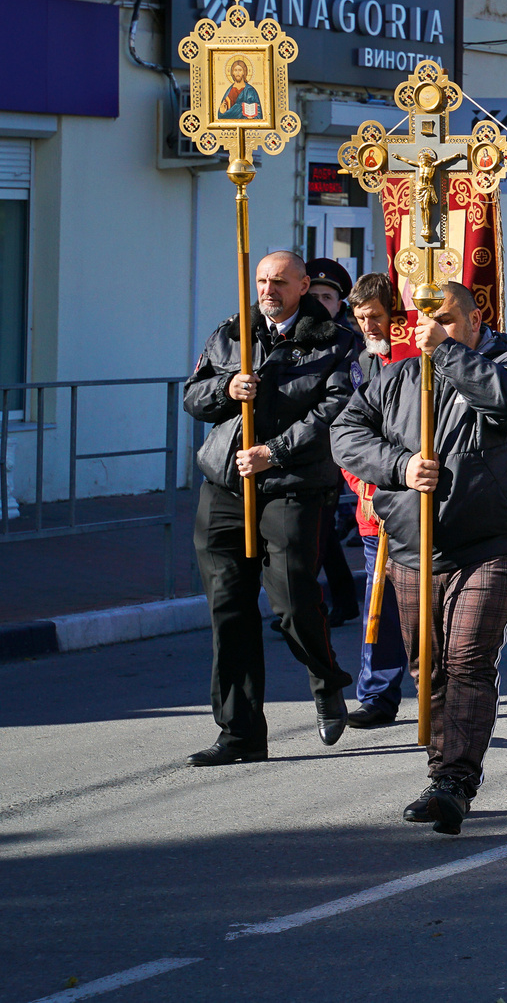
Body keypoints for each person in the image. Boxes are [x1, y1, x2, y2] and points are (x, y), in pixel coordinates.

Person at [330, 281, 507, 834]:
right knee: (430, 668)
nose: (435, 329)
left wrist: (446, 352)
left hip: (489, 542)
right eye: (429, 321)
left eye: (448, 320)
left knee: (468, 658)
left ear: (476, 319)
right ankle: (439, 775)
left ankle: (456, 781)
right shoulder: (398, 376)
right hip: (412, 544)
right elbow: (347, 432)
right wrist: (399, 467)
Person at [179, 250, 359, 767]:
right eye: (261, 280)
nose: (267, 290)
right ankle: (239, 732)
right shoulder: (232, 332)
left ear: (303, 286)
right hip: (227, 483)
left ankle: (326, 680)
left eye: (279, 281)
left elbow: (335, 408)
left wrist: (273, 451)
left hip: (292, 484)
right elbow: (193, 396)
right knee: (228, 609)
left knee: (293, 602)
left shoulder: (336, 341)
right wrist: (226, 388)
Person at [341, 275, 416, 727]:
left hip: (416, 505)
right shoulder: (358, 362)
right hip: (373, 508)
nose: (368, 325)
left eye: (376, 316)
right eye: (361, 317)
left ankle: (436, 690)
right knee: (379, 604)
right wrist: (362, 486)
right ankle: (377, 694)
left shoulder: (414, 361)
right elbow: (348, 434)